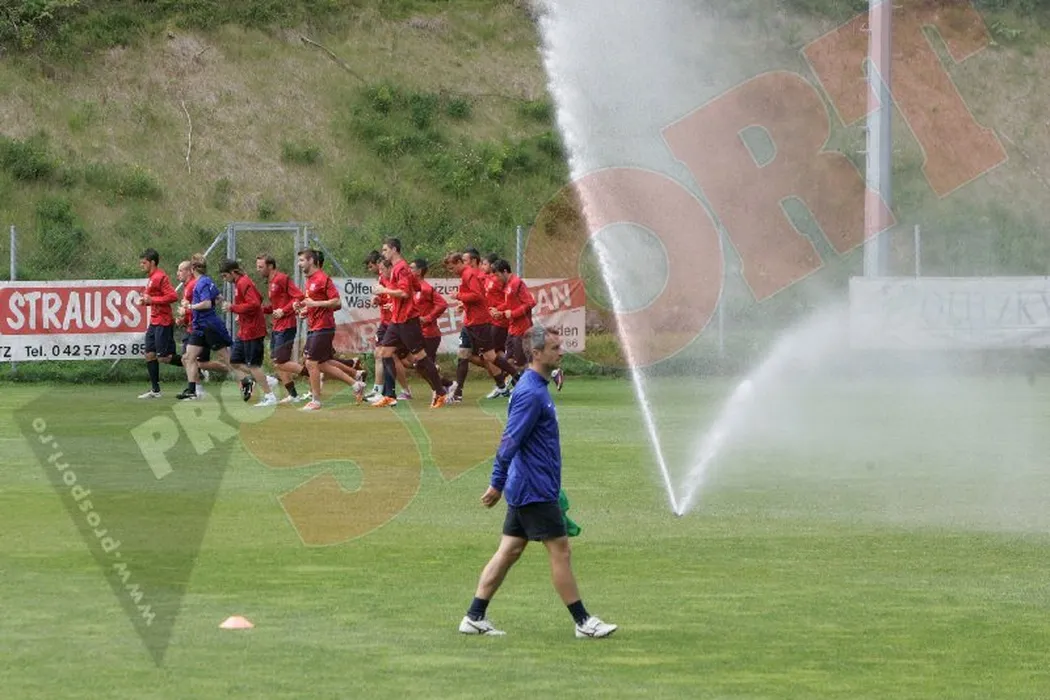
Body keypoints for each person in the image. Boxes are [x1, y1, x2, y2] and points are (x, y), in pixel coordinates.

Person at [459, 324, 617, 639]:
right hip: (534, 489)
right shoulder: (531, 394)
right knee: (561, 551)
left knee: (509, 550)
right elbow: (510, 440)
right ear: (536, 353)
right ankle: (583, 622)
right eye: (555, 348)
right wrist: (496, 483)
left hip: (531, 485)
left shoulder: (536, 386)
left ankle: (474, 616)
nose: (561, 352)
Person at [371, 238, 449, 409]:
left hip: (407, 320)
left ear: (394, 250)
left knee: (421, 358)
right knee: (384, 353)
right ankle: (390, 396)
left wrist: (385, 290)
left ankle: (441, 392)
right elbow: (415, 287)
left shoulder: (401, 267)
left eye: (385, 250)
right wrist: (393, 299)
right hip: (397, 319)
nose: (383, 253)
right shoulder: (398, 269)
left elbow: (405, 292)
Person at [292, 248, 366, 411]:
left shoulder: (322, 278)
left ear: (311, 261)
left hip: (324, 326)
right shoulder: (309, 280)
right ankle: (356, 384)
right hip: (315, 325)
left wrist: (315, 304)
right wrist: (305, 310)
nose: (299, 264)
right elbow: (316, 304)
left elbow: (337, 302)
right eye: (299, 261)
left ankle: (316, 401)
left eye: (302, 260)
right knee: (322, 363)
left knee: (311, 363)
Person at [219, 259, 277, 406]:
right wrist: (241, 314)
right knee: (235, 361)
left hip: (253, 330)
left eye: (225, 276)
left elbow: (255, 304)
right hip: (244, 330)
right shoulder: (240, 283)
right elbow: (259, 298)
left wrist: (233, 308)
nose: (224, 279)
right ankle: (265, 379)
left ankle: (270, 396)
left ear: (233, 272)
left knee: (253, 365)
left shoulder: (244, 282)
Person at [177, 258, 234, 401]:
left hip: (207, 326)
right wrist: (187, 314)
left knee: (225, 358)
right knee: (188, 358)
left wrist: (189, 308)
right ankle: (193, 390)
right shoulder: (201, 282)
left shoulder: (199, 283)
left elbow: (207, 303)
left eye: (181, 270)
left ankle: (252, 377)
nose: (178, 273)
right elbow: (218, 297)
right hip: (198, 326)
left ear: (192, 269)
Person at [257, 254, 308, 404]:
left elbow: (299, 296)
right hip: (277, 326)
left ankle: (313, 374)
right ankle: (293, 395)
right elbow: (275, 306)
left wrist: (284, 311)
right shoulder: (271, 281)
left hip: (287, 325)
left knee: (280, 362)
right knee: (277, 362)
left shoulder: (281, 278)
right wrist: (259, 310)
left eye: (261, 266)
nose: (258, 269)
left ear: (270, 266)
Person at [136, 248, 180, 399]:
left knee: (164, 357)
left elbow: (173, 296)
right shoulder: (151, 278)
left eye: (144, 263)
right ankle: (155, 390)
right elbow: (155, 299)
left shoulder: (160, 276)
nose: (141, 265)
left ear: (152, 262)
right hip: (154, 321)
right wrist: (146, 302)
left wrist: (152, 300)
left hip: (163, 321)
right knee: (149, 354)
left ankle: (194, 366)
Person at [493, 259, 536, 372]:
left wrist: (512, 314)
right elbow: (509, 304)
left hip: (522, 329)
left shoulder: (517, 283)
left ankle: (551, 373)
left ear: (505, 271)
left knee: (521, 363)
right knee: (509, 360)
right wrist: (499, 311)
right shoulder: (508, 285)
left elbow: (530, 303)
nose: (497, 278)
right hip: (512, 329)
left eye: (498, 275)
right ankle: (513, 382)